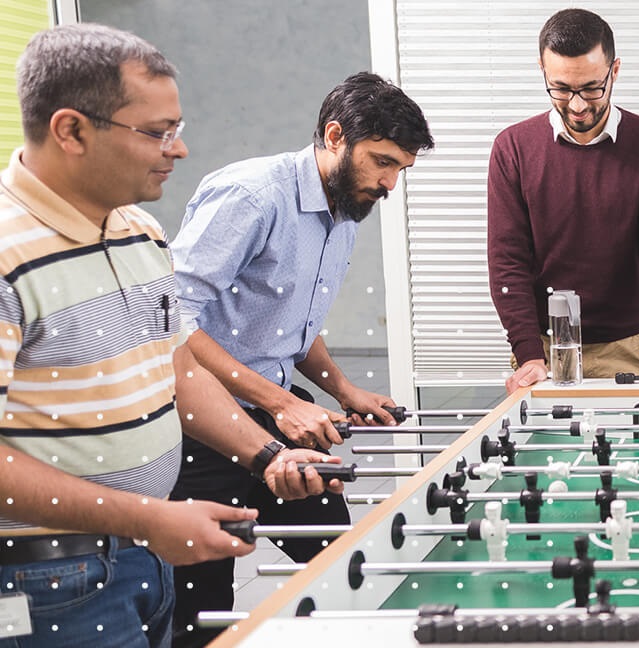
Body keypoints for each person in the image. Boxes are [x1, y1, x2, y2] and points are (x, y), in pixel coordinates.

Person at [0, 24, 339, 648]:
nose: (178, 150)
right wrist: (148, 516)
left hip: (143, 558)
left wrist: (267, 456)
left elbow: (178, 369)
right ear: (71, 130)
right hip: (44, 578)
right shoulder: (6, 255)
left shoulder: (139, 232)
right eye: (156, 132)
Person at [166, 71, 433, 646]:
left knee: (345, 572)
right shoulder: (251, 196)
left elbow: (292, 321)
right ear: (335, 136)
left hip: (275, 417)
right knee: (202, 614)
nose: (389, 184)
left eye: (399, 170)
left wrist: (343, 389)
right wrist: (282, 402)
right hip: (202, 432)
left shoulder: (345, 209)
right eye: (382, 162)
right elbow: (171, 321)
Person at [487, 8, 639, 394]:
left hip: (632, 346)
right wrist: (528, 354)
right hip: (544, 350)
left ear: (614, 70)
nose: (577, 105)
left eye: (591, 88)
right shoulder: (513, 148)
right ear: (542, 70)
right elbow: (508, 260)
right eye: (561, 88)